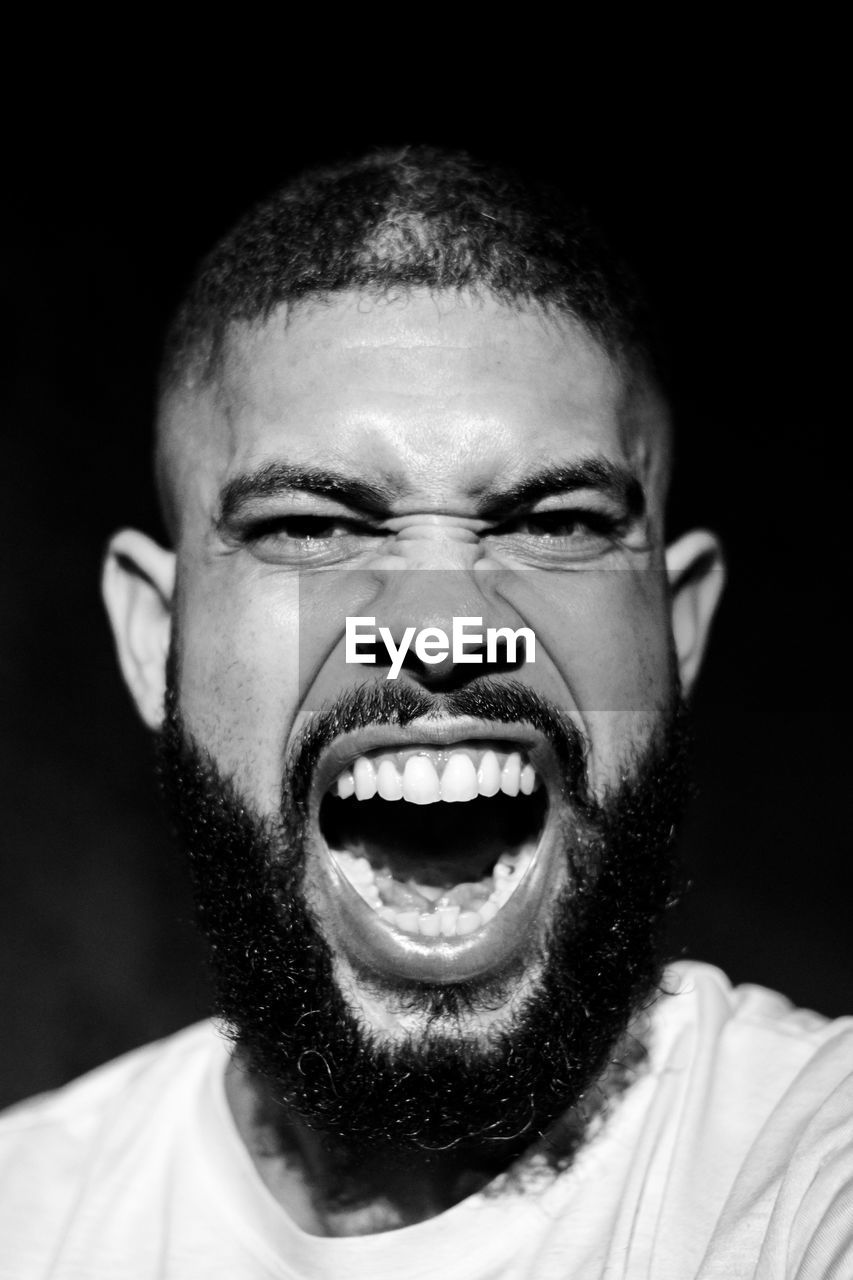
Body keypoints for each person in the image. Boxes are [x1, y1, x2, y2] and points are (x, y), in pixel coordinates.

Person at [0, 146, 850, 1279]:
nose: (441, 631)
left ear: (677, 625)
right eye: (309, 526)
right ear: (157, 633)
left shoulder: (808, 1170)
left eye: (556, 521)